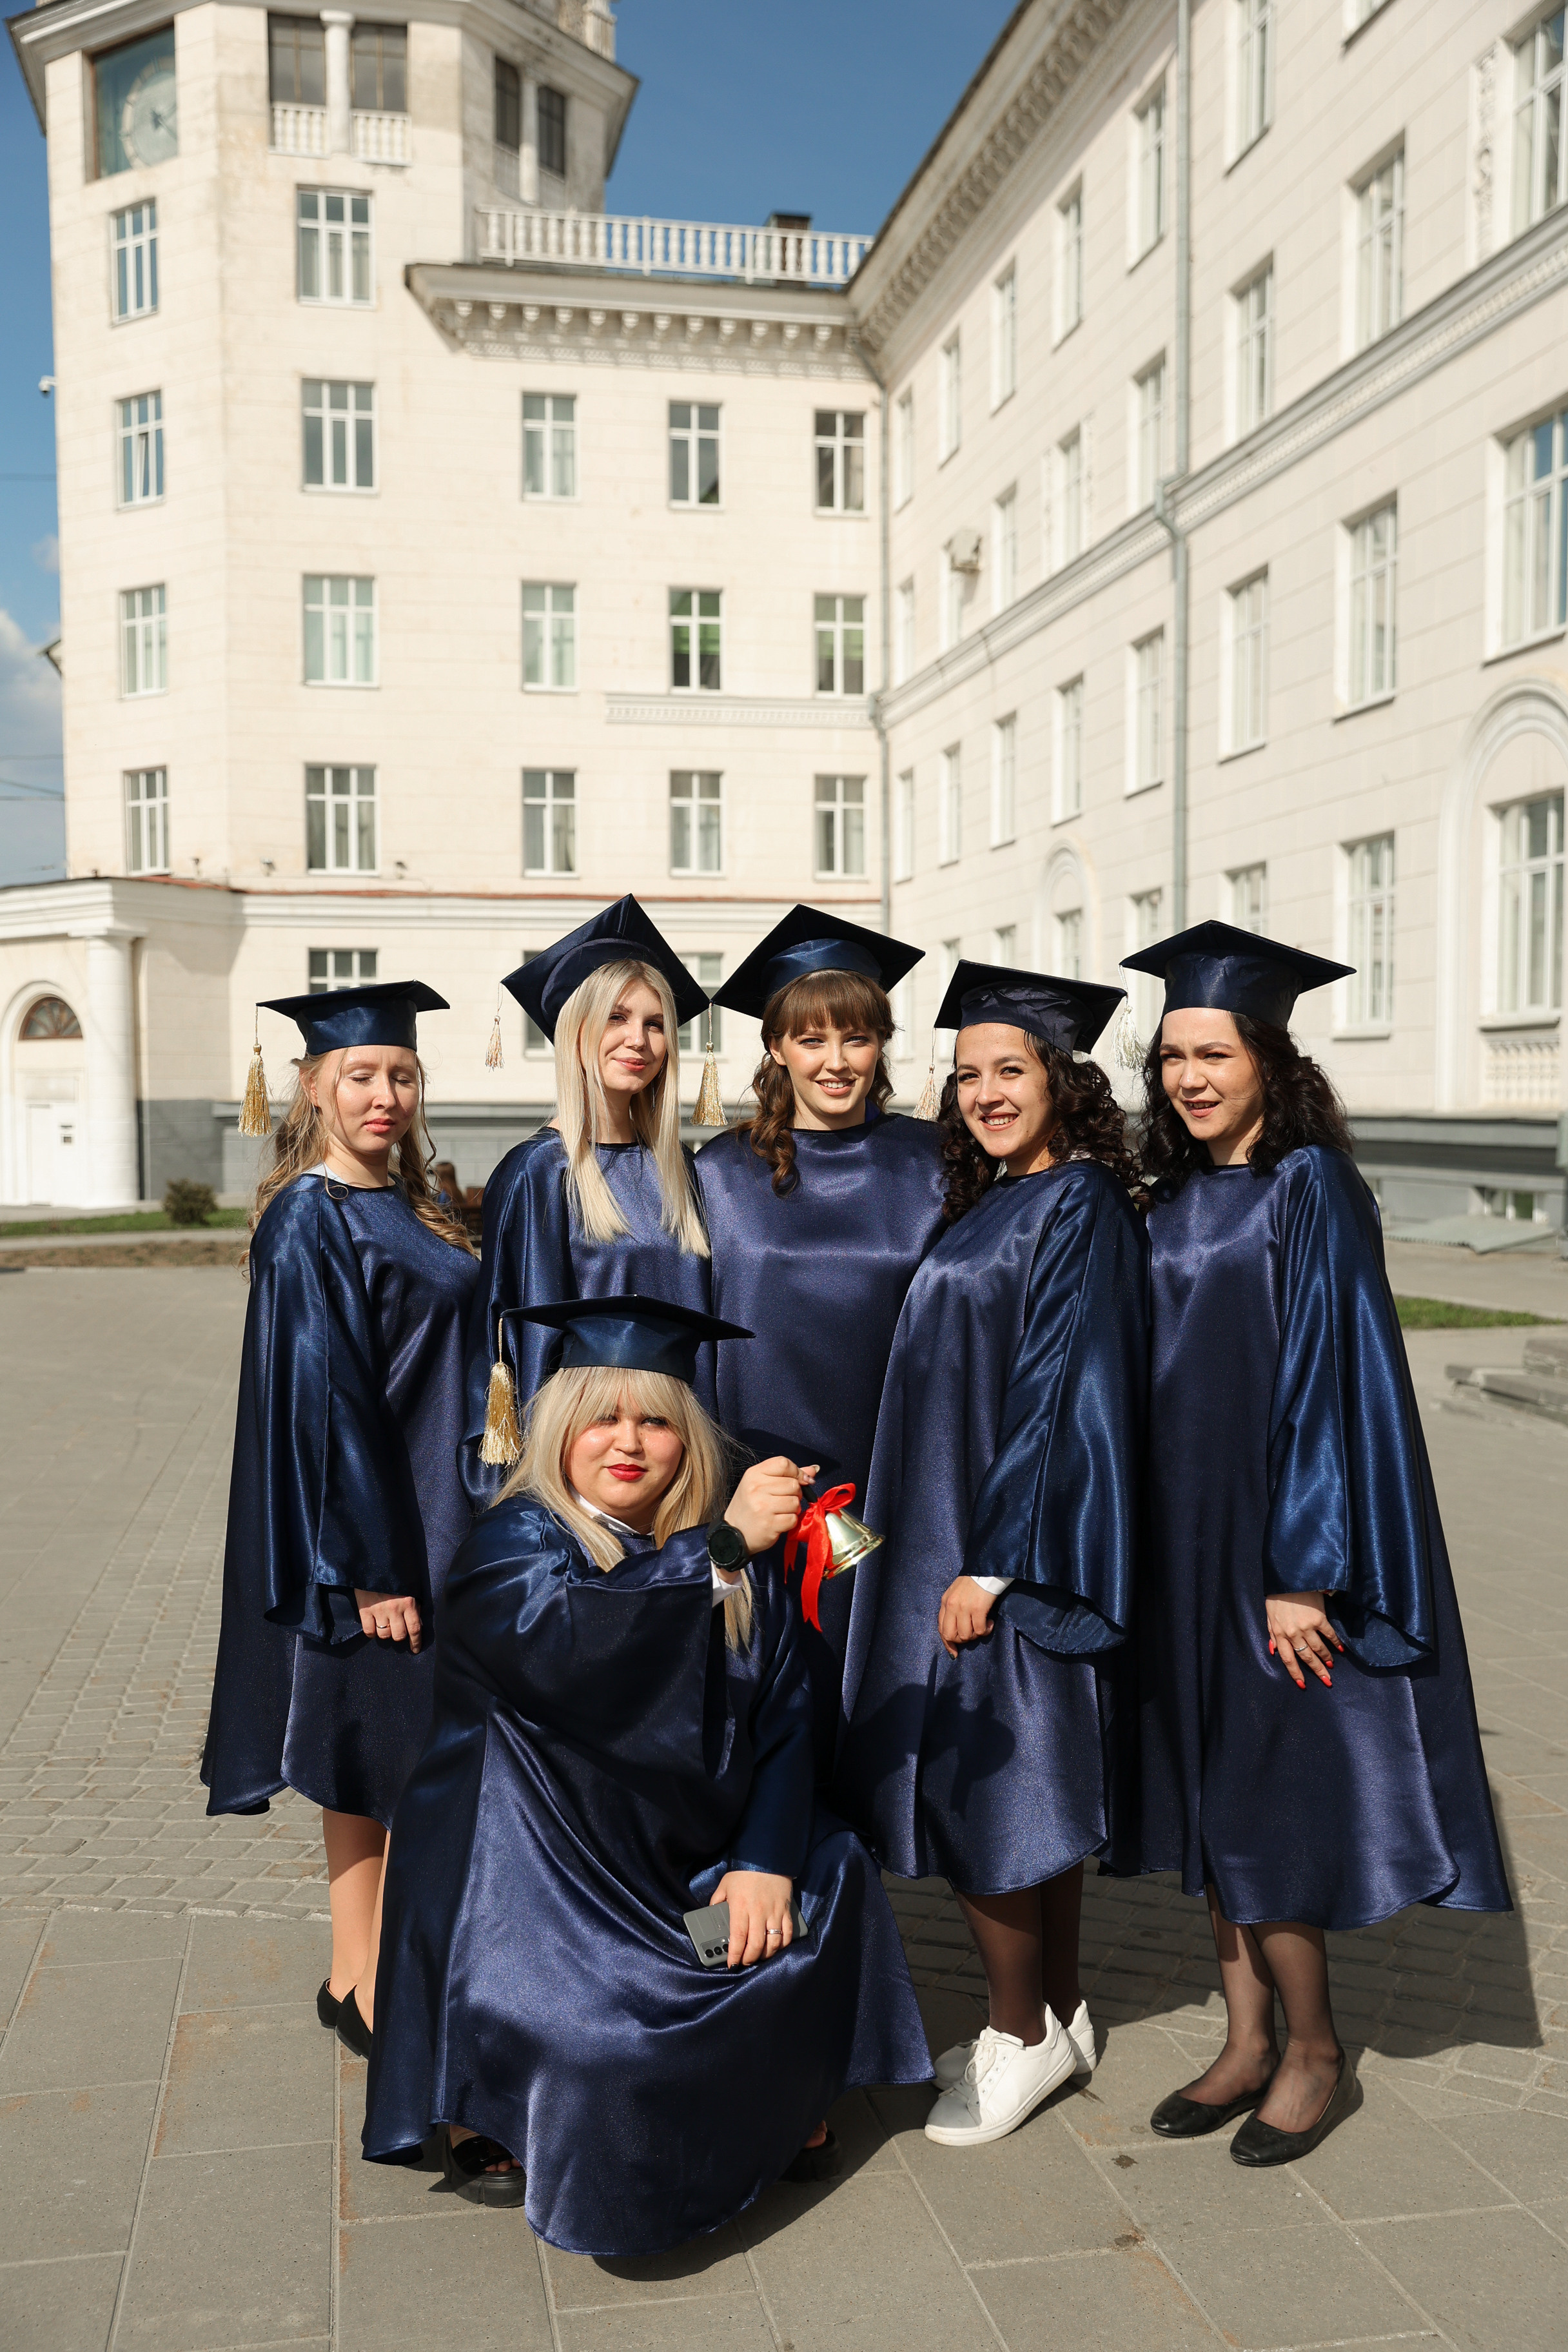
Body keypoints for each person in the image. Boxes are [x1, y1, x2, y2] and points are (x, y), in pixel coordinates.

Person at [364, 1296, 931, 2254]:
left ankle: (760, 2074)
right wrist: (718, 1551)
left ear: (690, 1438)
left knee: (826, 1889)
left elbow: (790, 1718)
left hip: (683, 1873)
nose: (628, 1444)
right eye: (602, 1418)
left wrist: (762, 1863)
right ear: (559, 1430)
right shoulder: (515, 1545)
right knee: (609, 2050)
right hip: (544, 1899)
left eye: (657, 1419)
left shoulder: (732, 1554)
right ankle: (494, 2100)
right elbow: (575, 1648)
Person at [1117, 919, 1511, 2165]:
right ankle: (1242, 2038)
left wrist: (1300, 1572)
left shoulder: (1310, 1186)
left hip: (1269, 1542)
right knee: (1208, 1788)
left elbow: (1329, 1383)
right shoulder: (1174, 1190)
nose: (1187, 1076)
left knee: (1269, 1795)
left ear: (1268, 1060)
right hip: (1182, 1535)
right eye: (1172, 1054)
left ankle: (1313, 2049)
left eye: (1213, 1053)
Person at [837, 963, 1148, 2150]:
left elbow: (1062, 1393)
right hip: (948, 1530)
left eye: (1008, 1070)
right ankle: (1060, 2013)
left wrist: (995, 1564)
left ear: (1064, 1081)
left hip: (994, 1546)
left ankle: (1011, 2034)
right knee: (1028, 1780)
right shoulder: (1001, 1199)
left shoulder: (1076, 1205)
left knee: (987, 1788)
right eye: (965, 1074)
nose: (981, 1092)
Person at [200, 981, 480, 2060]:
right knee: (390, 1753)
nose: (385, 1093)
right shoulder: (310, 1220)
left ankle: (353, 1972)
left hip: (435, 1517)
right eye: (360, 1075)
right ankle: (376, 1981)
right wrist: (367, 1569)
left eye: (400, 1074)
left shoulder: (406, 1204)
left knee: (369, 1750)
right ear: (311, 1086)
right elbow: (327, 1403)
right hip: (383, 1535)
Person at [698, 907, 946, 1773]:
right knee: (775, 1714)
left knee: (888, 1713)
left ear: (882, 1045)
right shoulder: (719, 1177)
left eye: (858, 1037)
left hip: (900, 1478)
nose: (836, 1062)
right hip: (761, 1485)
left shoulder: (939, 1165)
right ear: (775, 1049)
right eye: (812, 1040)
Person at [462, 896, 715, 1504]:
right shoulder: (540, 1174)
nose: (640, 1040)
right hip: (585, 1479)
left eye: (656, 1023)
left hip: (682, 1469)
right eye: (617, 1018)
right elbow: (521, 1350)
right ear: (575, 1029)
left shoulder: (680, 1172)